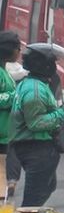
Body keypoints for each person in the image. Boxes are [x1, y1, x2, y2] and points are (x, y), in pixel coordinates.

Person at [9, 45, 64, 207]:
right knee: (32, 201)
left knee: (47, 186)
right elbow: (37, 123)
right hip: (36, 148)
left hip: (34, 147)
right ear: (45, 66)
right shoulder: (35, 91)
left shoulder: (33, 84)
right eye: (53, 63)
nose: (55, 67)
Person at [0, 31, 22, 201]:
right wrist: (15, 97)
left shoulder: (4, 70)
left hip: (6, 134)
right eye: (17, 48)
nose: (19, 52)